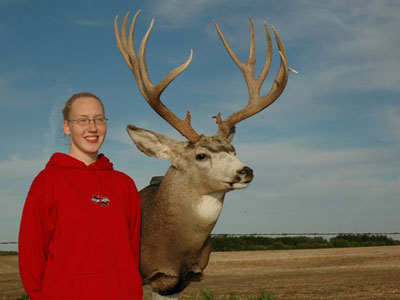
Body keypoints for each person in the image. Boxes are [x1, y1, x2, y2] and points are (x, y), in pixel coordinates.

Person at [18, 92, 143, 300]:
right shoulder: (48, 182)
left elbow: (132, 253)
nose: (92, 128)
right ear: (67, 127)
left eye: (99, 119)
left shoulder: (125, 185)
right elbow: (32, 257)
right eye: (82, 120)